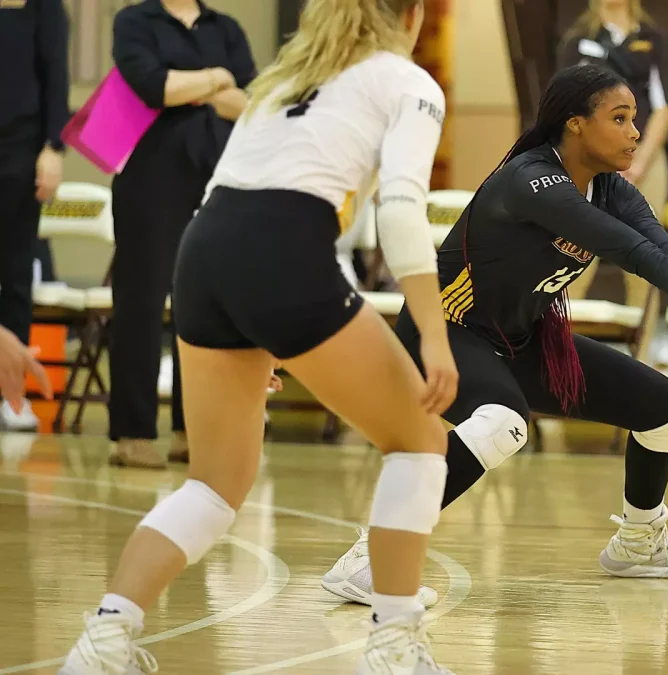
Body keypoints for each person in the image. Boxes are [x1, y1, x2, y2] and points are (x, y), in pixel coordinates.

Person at [59, 0, 460, 673]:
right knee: (420, 441)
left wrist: (259, 320)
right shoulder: (409, 82)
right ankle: (394, 647)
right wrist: (435, 336)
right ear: (414, 14)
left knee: (214, 484)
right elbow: (400, 209)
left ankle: (105, 639)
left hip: (204, 251)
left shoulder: (284, 77)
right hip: (283, 249)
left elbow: (233, 189)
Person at [321, 63, 668, 606]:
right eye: (619, 118)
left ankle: (639, 544)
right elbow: (633, 255)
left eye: (635, 118)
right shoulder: (532, 180)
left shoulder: (610, 190)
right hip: (447, 331)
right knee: (502, 423)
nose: (635, 132)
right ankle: (371, 557)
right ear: (574, 124)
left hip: (520, 338)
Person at [106, 0, 257, 469]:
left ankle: (191, 429)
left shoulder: (225, 27)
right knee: (141, 301)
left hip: (216, 173)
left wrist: (188, 86)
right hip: (149, 175)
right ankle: (131, 433)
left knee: (205, 302)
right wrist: (215, 79)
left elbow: (248, 102)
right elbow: (153, 87)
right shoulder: (134, 20)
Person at [556, 0, 668, 316]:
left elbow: (664, 107)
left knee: (647, 260)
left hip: (644, 156)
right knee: (575, 253)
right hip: (588, 159)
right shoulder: (577, 38)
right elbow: (563, 106)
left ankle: (642, 356)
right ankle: (561, 350)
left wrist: (637, 164)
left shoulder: (652, 37)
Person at [0, 0, 68, 430]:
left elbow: (56, 76)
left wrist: (53, 147)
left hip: (23, 147)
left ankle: (11, 394)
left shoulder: (44, 7)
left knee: (16, 271)